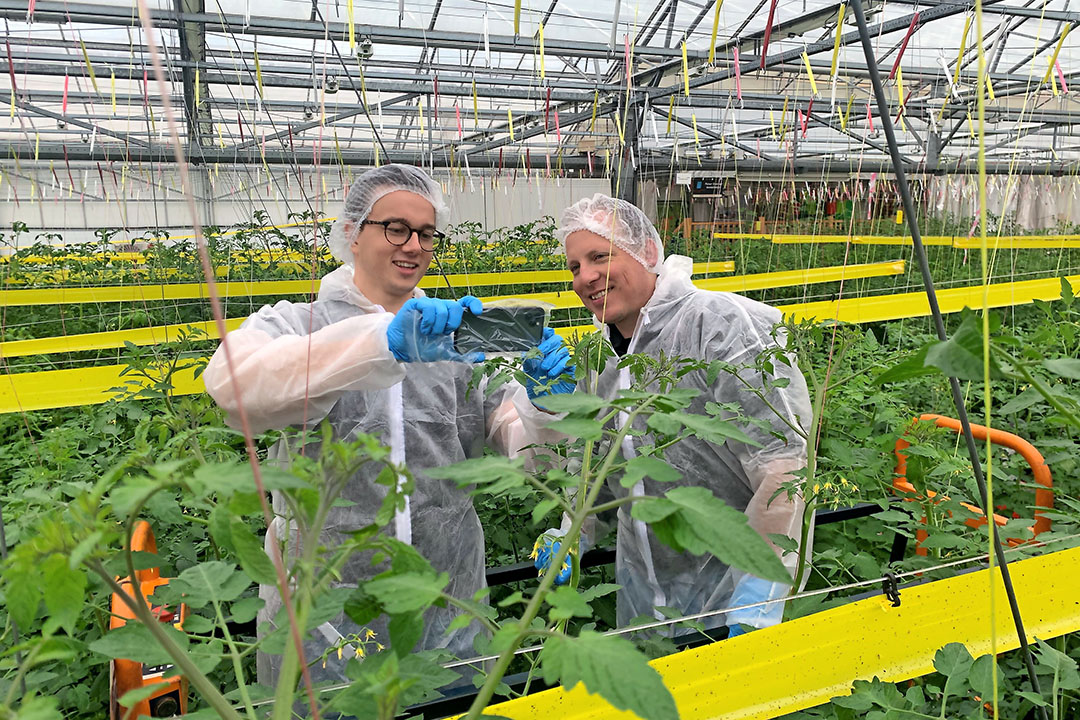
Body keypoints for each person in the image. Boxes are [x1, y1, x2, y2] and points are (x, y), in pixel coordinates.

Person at [203, 164, 554, 684]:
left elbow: (523, 451)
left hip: (444, 594)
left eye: (426, 234)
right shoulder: (300, 325)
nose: (412, 245)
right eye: (396, 228)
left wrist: (546, 406)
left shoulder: (454, 343)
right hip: (327, 607)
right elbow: (233, 388)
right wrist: (379, 342)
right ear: (352, 233)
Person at [535, 193, 812, 637]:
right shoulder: (601, 357)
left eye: (599, 256)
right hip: (645, 601)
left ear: (647, 251)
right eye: (574, 266)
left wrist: (759, 585)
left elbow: (783, 462)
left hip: (730, 601)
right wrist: (572, 533)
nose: (586, 276)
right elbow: (595, 466)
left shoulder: (721, 326)